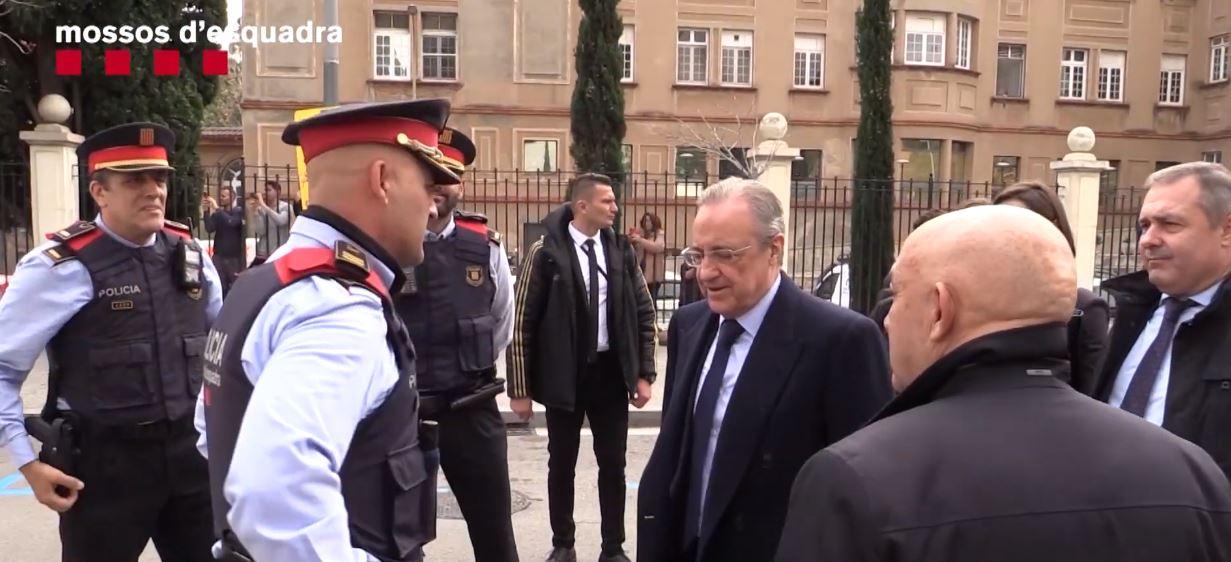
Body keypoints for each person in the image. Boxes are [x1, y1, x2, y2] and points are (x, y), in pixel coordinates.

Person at [775, 205, 1231, 561]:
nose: (888, 319)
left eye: (896, 296)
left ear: (940, 309)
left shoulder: (854, 478)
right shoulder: (1192, 473)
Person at [197, 99, 458, 561]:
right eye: (428, 185)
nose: (434, 208)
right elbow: (274, 491)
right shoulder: (336, 306)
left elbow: (211, 431)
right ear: (382, 180)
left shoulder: (269, 278)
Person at [637, 178, 892, 562]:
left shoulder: (841, 340)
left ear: (774, 249)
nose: (705, 272)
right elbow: (677, 453)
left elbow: (864, 491)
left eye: (724, 254)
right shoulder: (688, 326)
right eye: (698, 254)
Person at [0, 122, 223, 561]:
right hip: (105, 471)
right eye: (134, 180)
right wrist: (27, 463)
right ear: (100, 191)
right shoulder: (59, 268)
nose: (154, 191)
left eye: (159, 178)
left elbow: (227, 357)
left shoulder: (191, 256)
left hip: (192, 461)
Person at [507, 173, 657, 562]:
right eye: (608, 201)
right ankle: (563, 545)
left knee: (614, 464)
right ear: (582, 206)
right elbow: (521, 319)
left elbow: (643, 312)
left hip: (609, 375)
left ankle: (613, 548)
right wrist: (519, 389)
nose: (616, 208)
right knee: (562, 464)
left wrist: (644, 374)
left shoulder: (621, 251)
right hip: (564, 375)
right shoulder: (546, 252)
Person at [394, 127, 520, 562]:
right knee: (398, 541)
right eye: (430, 174)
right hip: (402, 417)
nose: (438, 186)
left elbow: (501, 322)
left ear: (460, 185)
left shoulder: (485, 249)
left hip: (471, 411)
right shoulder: (385, 246)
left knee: (495, 536)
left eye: (448, 176)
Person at [1092, 161, 1231, 478]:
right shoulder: (1132, 313)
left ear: (1226, 229)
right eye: (1145, 225)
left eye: (1169, 224)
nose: (1148, 240)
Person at [993, 181, 1110, 390]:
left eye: (1020, 225)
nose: (1006, 236)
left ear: (1054, 230)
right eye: (997, 225)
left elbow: (1092, 394)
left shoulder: (1084, 310)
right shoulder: (975, 302)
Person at [203, 184, 247, 295]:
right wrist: (206, 212)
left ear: (232, 197)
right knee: (218, 287)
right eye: (221, 196)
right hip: (219, 256)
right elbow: (209, 228)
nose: (221, 198)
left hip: (233, 258)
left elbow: (231, 222)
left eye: (224, 196)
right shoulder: (219, 214)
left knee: (235, 289)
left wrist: (217, 208)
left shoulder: (238, 211)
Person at [246, 179, 292, 266]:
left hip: (280, 250)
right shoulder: (262, 209)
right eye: (265, 190)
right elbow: (261, 231)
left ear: (278, 192)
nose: (266, 193)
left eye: (269, 190)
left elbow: (281, 221)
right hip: (264, 251)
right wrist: (256, 213)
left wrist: (263, 205)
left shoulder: (286, 207)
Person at [630, 211, 666, 300]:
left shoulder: (659, 234)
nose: (647, 223)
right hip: (640, 272)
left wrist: (640, 240)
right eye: (645, 221)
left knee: (651, 301)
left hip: (653, 276)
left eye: (649, 221)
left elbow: (658, 247)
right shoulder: (641, 234)